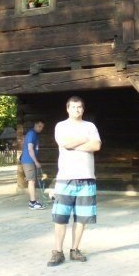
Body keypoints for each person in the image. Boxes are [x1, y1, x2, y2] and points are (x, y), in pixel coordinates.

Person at [48, 96, 101, 267]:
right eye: (73, 107)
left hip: (86, 178)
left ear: (83, 109)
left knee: (82, 217)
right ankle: (57, 251)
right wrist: (85, 140)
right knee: (60, 217)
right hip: (65, 178)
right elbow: (64, 143)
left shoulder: (90, 126)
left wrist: (75, 145)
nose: (76, 110)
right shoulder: (61, 126)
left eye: (79, 107)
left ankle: (75, 249)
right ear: (67, 109)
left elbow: (97, 146)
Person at [21, 120, 46, 210]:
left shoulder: (34, 134)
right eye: (39, 126)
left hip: (30, 161)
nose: (41, 128)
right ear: (35, 125)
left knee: (33, 181)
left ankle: (33, 201)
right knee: (31, 181)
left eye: (42, 127)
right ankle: (32, 203)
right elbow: (30, 148)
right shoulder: (31, 134)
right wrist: (36, 161)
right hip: (28, 161)